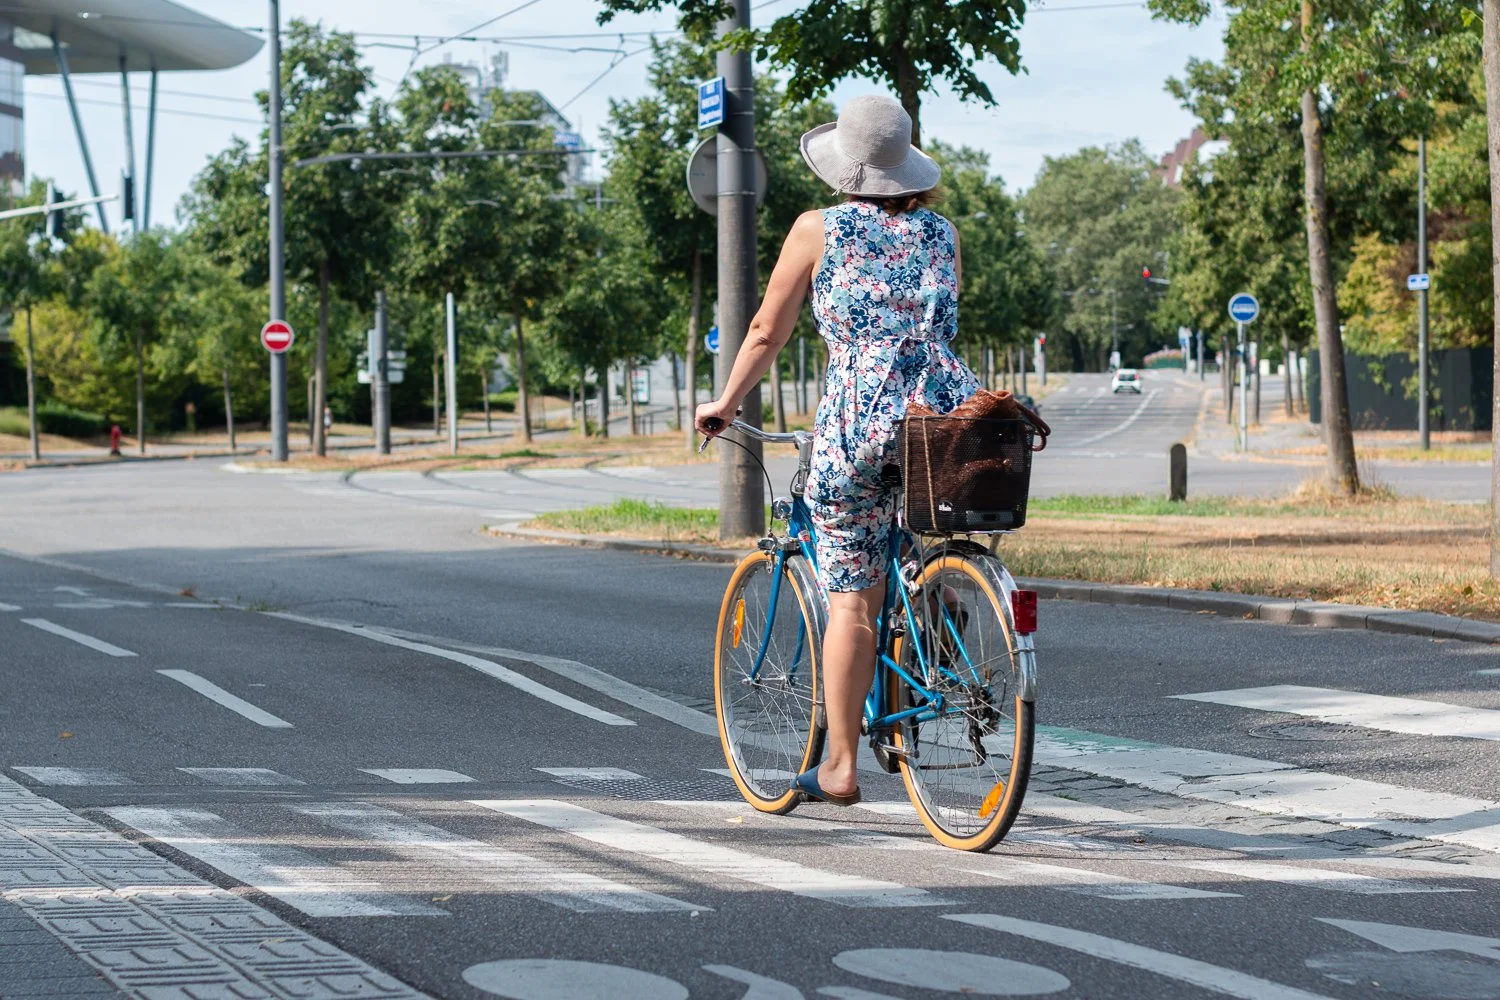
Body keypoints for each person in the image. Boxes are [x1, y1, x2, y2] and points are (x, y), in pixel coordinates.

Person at [695, 94, 979, 807]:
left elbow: (765, 330)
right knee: (912, 536)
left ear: (843, 167)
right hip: (941, 417)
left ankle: (841, 766)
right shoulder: (942, 233)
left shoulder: (819, 228)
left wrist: (724, 403)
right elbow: (935, 329)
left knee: (851, 601)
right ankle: (938, 603)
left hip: (859, 419)